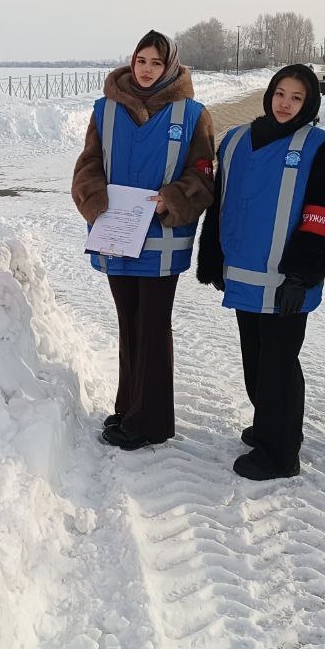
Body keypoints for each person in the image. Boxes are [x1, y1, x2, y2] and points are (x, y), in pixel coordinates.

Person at [196, 65, 325, 480]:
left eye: (297, 98)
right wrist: (212, 257)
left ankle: (281, 453)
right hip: (243, 273)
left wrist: (303, 275)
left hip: (287, 280)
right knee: (255, 361)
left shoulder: (322, 147)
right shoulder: (237, 140)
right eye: (281, 93)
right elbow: (219, 204)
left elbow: (322, 217)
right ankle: (268, 424)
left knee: (280, 364)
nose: (285, 103)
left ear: (309, 103)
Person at [72, 31, 215, 450]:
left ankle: (150, 421)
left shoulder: (193, 115)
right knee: (128, 325)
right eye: (141, 61)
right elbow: (89, 163)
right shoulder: (105, 110)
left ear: (169, 66)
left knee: (152, 327)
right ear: (131, 63)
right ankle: (128, 406)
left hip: (161, 239)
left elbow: (203, 175)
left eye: (156, 62)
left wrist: (171, 199)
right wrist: (93, 196)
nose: (147, 69)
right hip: (117, 236)